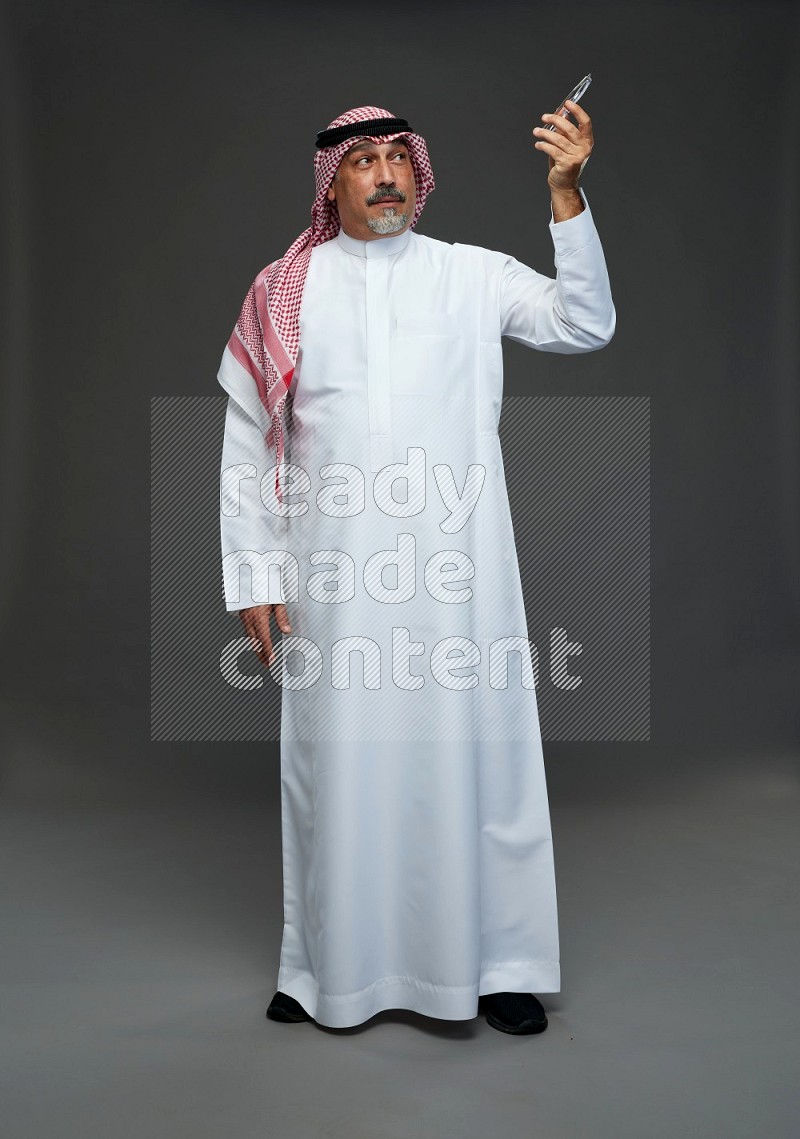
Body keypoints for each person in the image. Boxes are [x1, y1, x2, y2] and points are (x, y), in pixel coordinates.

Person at [216, 102, 615, 1035]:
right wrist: (255, 574)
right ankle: (324, 967)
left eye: (400, 157)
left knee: (480, 754)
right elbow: (248, 443)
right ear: (332, 181)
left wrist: (567, 194)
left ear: (419, 174)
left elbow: (584, 322)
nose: (387, 174)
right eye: (365, 161)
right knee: (335, 765)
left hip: (461, 572)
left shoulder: (470, 275)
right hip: (336, 574)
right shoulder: (285, 290)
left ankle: (501, 962)